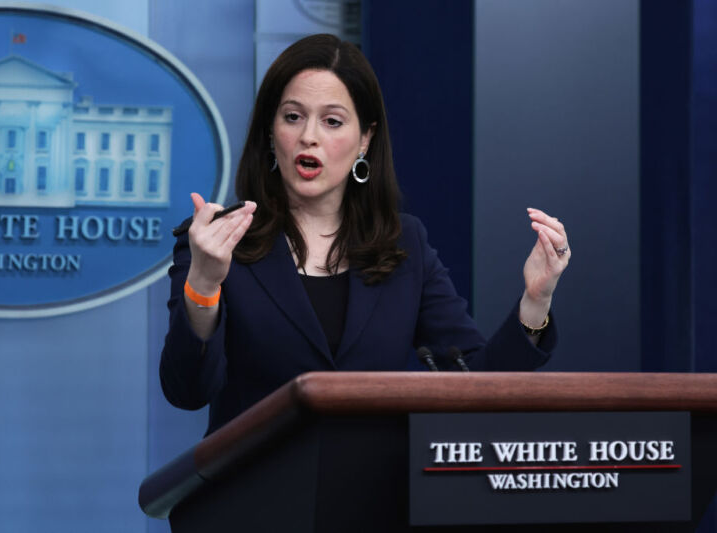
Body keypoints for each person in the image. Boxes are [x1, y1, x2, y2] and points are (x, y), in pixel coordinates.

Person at [160, 34, 570, 435]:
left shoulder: (404, 244)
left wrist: (535, 302)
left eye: (332, 121)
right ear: (271, 132)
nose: (309, 136)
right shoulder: (217, 242)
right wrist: (205, 283)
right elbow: (188, 390)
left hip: (373, 496)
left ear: (365, 139)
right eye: (292, 116)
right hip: (252, 494)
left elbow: (474, 386)